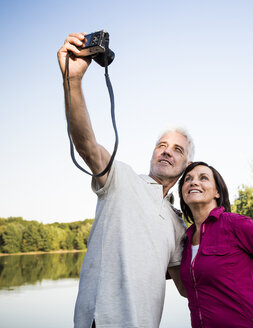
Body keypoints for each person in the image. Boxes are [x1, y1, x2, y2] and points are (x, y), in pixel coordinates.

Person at [57, 32, 192, 328]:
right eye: (161, 145)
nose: (167, 152)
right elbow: (87, 144)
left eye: (177, 150)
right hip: (98, 322)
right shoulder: (122, 179)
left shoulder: (177, 225)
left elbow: (188, 289)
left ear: (186, 164)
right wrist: (73, 81)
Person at [178, 162, 253, 328]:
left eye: (203, 178)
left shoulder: (235, 224)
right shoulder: (184, 240)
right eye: (188, 179)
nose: (193, 182)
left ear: (217, 192)